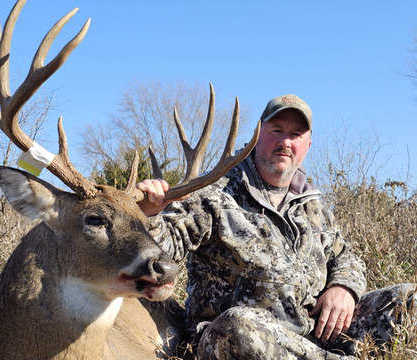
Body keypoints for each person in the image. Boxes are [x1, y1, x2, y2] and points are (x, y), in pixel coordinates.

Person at [137, 94, 416, 359]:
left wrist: (344, 288)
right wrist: (150, 215)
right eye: (277, 130)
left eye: (295, 134)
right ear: (257, 136)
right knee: (239, 326)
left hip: (313, 334)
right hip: (236, 339)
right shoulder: (215, 195)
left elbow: (347, 256)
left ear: (307, 145)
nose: (286, 141)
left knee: (410, 300)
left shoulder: (311, 204)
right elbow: (164, 251)